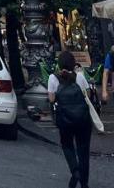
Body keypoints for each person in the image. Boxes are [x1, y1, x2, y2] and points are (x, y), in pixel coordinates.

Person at [48, 51, 93, 188]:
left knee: (67, 145)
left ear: (59, 64)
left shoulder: (53, 78)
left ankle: (75, 170)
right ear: (73, 64)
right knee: (83, 150)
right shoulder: (79, 76)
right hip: (82, 118)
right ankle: (84, 183)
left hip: (65, 118)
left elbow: (51, 99)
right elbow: (88, 95)